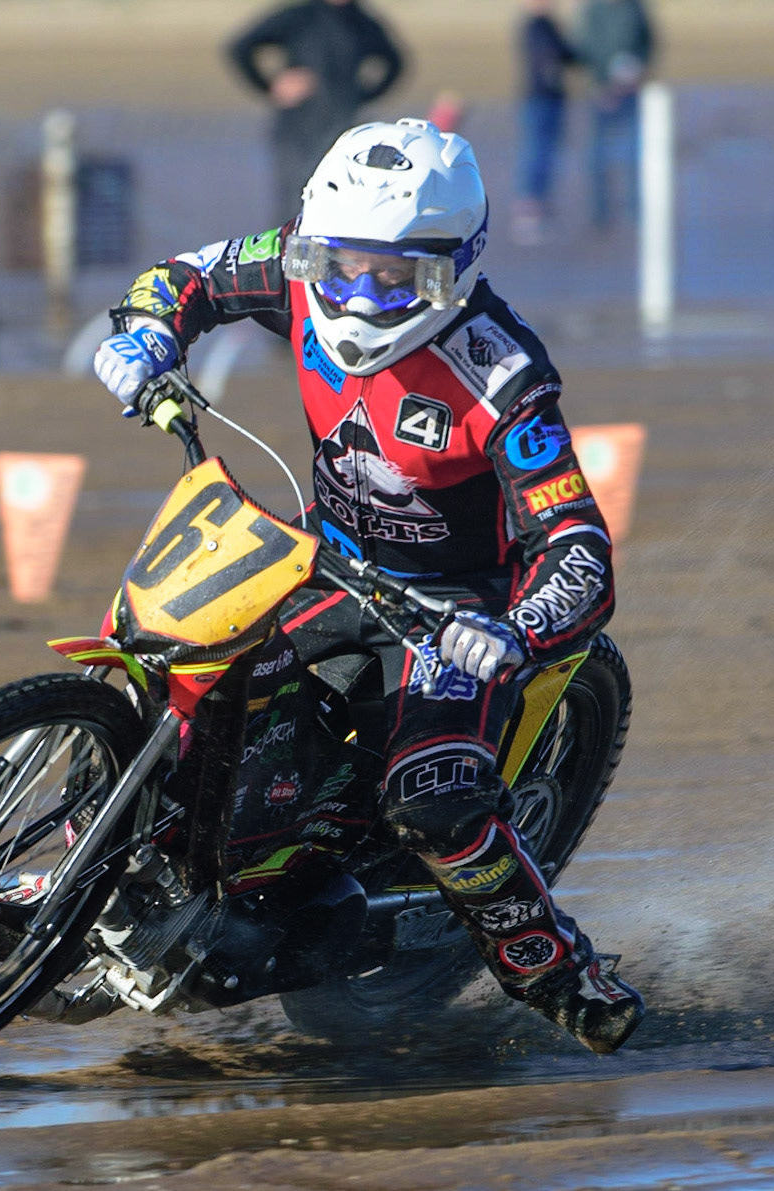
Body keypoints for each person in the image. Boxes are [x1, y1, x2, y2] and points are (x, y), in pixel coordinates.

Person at [90, 119, 645, 1054]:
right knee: (172, 660)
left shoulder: (503, 376)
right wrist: (147, 333)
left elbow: (581, 552)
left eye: (396, 279)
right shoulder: (297, 276)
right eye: (338, 265)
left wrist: (513, 631)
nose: (357, 295)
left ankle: (557, 968)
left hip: (457, 608)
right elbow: (185, 274)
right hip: (327, 558)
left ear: (455, 269)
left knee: (433, 796)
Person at [229, 0, 405, 225]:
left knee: (340, 195)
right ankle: (283, 255)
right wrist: (271, 85)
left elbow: (395, 62)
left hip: (342, 128)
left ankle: (332, 255)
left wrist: (362, 95)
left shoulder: (361, 21)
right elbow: (240, 47)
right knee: (295, 196)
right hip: (297, 127)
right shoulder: (299, 16)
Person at [576, 0, 656, 231]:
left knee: (635, 152)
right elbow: (586, 48)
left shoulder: (635, 8)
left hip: (632, 92)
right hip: (600, 93)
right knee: (598, 154)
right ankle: (600, 212)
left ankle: (637, 210)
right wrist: (602, 85)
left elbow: (647, 42)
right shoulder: (594, 10)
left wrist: (637, 72)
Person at [512, 0, 578, 246]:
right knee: (538, 152)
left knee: (544, 152)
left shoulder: (547, 24)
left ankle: (538, 207)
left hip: (546, 98)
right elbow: (549, 57)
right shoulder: (536, 25)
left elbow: (568, 54)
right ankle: (530, 210)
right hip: (541, 98)